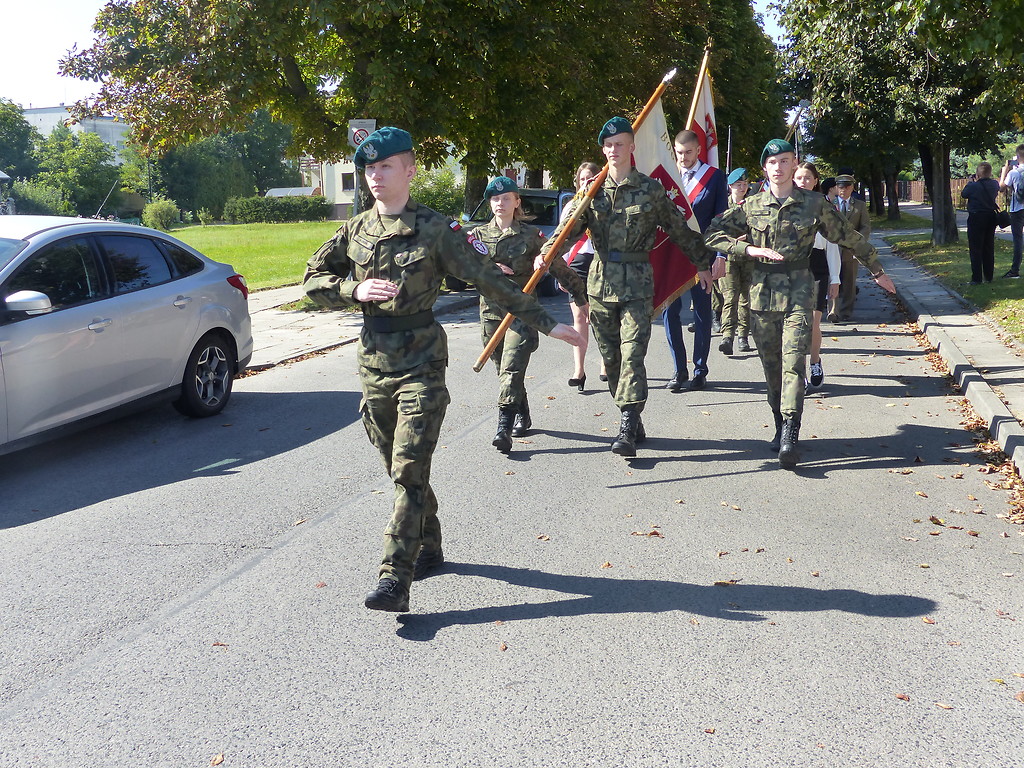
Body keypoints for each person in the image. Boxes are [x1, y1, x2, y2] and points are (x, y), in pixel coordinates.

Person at [303, 127, 582, 613]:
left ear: (410, 170)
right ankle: (428, 544)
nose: (374, 176)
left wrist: (548, 324)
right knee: (399, 468)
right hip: (373, 365)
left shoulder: (438, 230)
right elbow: (311, 280)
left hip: (422, 365)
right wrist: (352, 292)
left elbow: (489, 281)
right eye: (369, 168)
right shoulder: (356, 229)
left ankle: (395, 576)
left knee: (410, 468)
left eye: (385, 166)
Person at [705, 139, 896, 469]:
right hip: (762, 294)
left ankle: (791, 432)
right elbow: (711, 233)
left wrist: (876, 269)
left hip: (798, 291)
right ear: (764, 169)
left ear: (795, 164)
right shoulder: (750, 205)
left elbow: (847, 235)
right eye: (772, 162)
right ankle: (779, 425)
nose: (778, 167)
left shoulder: (813, 203)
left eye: (785, 160)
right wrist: (747, 250)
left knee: (794, 360)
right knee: (772, 367)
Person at [537, 116, 714, 457]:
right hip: (601, 283)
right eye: (608, 145)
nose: (613, 150)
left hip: (637, 283)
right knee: (612, 358)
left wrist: (703, 262)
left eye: (619, 144)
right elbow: (567, 231)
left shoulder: (650, 189)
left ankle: (627, 425)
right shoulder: (591, 192)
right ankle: (632, 415)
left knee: (633, 354)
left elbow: (678, 230)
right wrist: (547, 253)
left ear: (632, 147)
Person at [471, 176, 588, 452]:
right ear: (490, 202)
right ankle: (521, 410)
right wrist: (491, 268)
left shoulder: (531, 237)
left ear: (517, 202)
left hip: (523, 312)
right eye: (496, 199)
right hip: (491, 311)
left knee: (512, 368)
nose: (501, 204)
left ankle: (503, 427)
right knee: (504, 370)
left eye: (507, 198)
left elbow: (557, 264)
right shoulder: (476, 236)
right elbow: (462, 268)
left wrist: (579, 296)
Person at [660, 130, 729, 388]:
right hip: (672, 256)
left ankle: (700, 370)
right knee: (670, 313)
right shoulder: (667, 178)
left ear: (698, 150)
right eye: (679, 153)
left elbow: (721, 219)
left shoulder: (713, 178)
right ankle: (679, 370)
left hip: (704, 255)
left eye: (688, 152)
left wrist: (721, 255)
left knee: (702, 314)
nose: (683, 158)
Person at [793, 161, 841, 391]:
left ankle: (814, 361)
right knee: (796, 323)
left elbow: (833, 245)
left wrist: (835, 279)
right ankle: (798, 370)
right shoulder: (786, 204)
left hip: (817, 264)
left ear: (815, 181)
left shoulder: (823, 206)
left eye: (808, 178)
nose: (803, 182)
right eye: (800, 178)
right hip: (793, 267)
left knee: (812, 322)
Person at [562, 161, 607, 390]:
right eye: (582, 179)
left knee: (601, 316)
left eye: (590, 178)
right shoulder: (571, 206)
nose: (586, 183)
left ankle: (605, 363)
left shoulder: (606, 204)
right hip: (577, 264)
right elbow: (560, 242)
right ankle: (579, 370)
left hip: (600, 263)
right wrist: (560, 273)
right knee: (579, 318)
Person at [828, 172, 871, 323]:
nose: (843, 190)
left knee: (849, 282)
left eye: (846, 187)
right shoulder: (829, 204)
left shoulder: (859, 206)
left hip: (851, 250)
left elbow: (865, 226)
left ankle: (846, 311)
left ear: (852, 188)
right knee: (833, 279)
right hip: (833, 248)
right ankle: (834, 310)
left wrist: (859, 243)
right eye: (840, 187)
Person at [719, 167, 753, 354]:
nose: (742, 187)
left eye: (745, 184)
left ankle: (743, 336)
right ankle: (727, 337)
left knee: (745, 299)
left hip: (747, 257)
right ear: (730, 186)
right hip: (729, 257)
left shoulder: (751, 205)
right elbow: (716, 231)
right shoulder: (723, 206)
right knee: (730, 297)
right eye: (738, 184)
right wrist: (732, 241)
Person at [961, 162, 1001, 284]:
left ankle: (977, 278)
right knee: (988, 247)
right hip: (990, 217)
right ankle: (989, 276)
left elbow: (964, 194)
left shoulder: (973, 186)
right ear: (990, 172)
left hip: (976, 217)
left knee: (976, 248)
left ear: (978, 173)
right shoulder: (994, 184)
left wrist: (970, 182)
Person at [998, 145, 1024, 279]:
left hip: (1018, 209)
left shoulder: (1013, 173)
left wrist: (1004, 172)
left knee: (1018, 240)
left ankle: (1015, 270)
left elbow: (1001, 188)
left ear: (1018, 157)